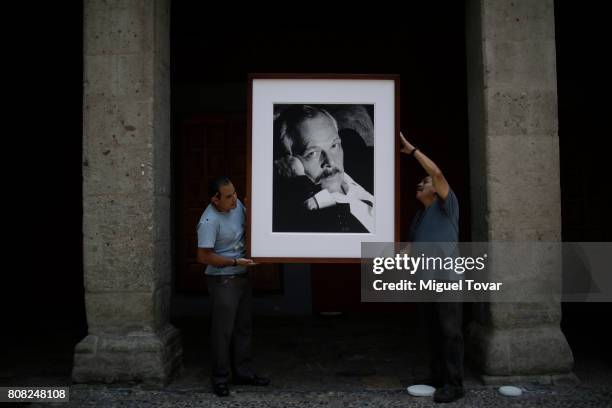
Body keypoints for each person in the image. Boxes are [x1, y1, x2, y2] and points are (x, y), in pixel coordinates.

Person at [400, 132, 465, 403]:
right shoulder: (418, 218)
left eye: (424, 182)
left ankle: (455, 385)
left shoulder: (447, 206)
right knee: (433, 332)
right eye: (421, 181)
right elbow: (408, 252)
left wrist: (413, 151)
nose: (421, 183)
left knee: (450, 333)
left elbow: (436, 172)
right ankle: (438, 377)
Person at [196, 176, 270, 397]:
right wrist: (235, 262)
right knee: (223, 333)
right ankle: (220, 379)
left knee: (243, 327)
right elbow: (203, 256)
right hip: (223, 280)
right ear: (215, 199)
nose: (235, 199)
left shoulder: (238, 206)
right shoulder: (208, 222)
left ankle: (243, 374)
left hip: (242, 276)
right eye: (229, 196)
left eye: (235, 193)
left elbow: (251, 227)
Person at [273, 105, 375, 233]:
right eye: (312, 153)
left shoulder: (359, 155)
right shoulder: (297, 219)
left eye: (334, 145)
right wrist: (300, 183)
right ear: (289, 161)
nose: (330, 161)